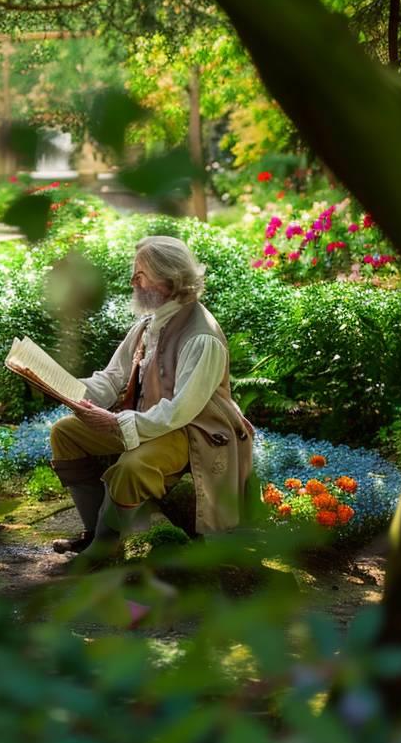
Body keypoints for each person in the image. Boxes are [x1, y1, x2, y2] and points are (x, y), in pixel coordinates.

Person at [48, 235, 253, 559]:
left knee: (132, 467)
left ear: (169, 278)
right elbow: (112, 377)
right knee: (66, 433)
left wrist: (116, 422)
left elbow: (180, 412)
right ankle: (93, 533)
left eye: (140, 273)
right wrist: (62, 387)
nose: (133, 281)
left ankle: (104, 549)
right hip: (148, 422)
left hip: (191, 433)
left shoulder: (202, 337)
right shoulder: (149, 324)